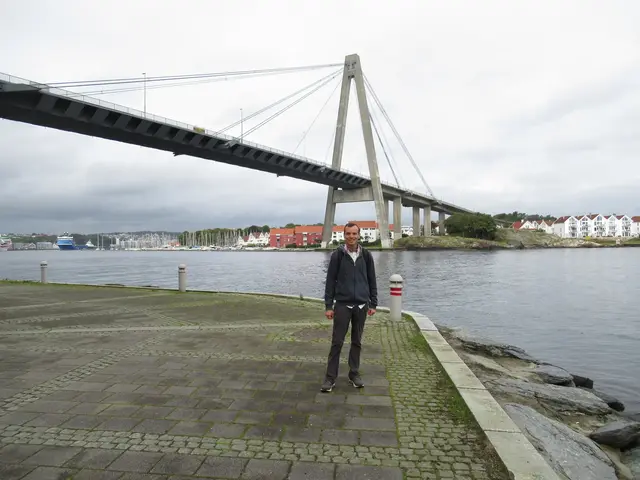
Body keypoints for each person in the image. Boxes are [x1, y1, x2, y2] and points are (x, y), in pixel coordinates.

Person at [321, 222, 378, 392]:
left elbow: (372, 280)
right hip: (342, 305)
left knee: (356, 341)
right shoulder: (337, 255)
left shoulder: (366, 255)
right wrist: (328, 305)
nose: (351, 237)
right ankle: (330, 378)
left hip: (361, 305)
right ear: (344, 235)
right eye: (348, 234)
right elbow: (330, 282)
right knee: (337, 342)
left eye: (354, 234)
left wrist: (373, 302)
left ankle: (354, 374)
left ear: (359, 235)